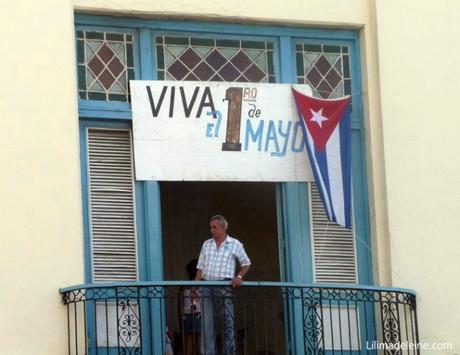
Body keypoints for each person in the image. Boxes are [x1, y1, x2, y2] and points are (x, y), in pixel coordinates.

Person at [195, 215, 251, 355]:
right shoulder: (206, 244)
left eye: (215, 227)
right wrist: (195, 285)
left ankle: (229, 352)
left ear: (224, 228)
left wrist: (239, 277)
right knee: (207, 324)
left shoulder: (235, 244)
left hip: (224, 286)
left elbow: (246, 263)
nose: (212, 230)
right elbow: (200, 267)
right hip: (206, 286)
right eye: (211, 227)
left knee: (227, 322)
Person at [179, 259, 201, 355]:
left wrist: (180, 320)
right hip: (198, 315)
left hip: (187, 316)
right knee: (198, 345)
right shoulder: (202, 285)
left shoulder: (184, 287)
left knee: (189, 344)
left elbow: (180, 305)